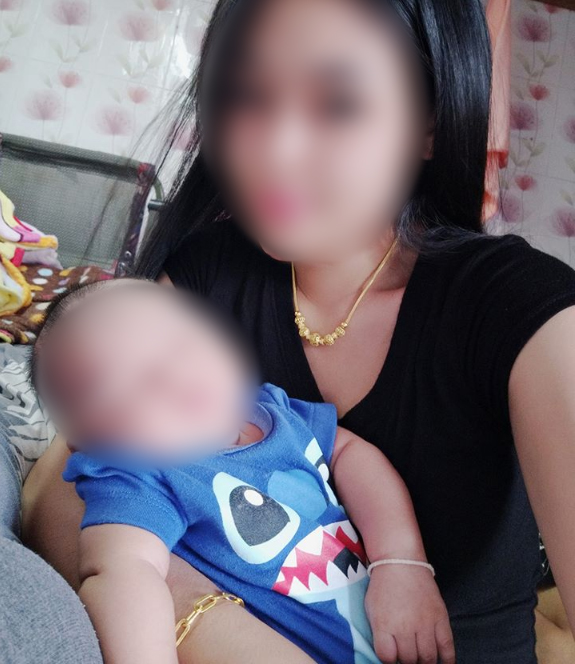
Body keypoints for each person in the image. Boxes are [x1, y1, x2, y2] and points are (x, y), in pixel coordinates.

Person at [21, 0, 575, 663]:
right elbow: (61, 491)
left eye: (338, 103)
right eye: (247, 95)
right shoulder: (205, 273)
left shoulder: (518, 307)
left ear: (428, 123)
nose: (274, 152)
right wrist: (196, 615)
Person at [29, 277, 454, 664]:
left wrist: (400, 562)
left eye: (181, 343)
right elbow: (123, 574)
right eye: (129, 383)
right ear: (85, 442)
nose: (173, 376)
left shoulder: (273, 410)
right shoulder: (136, 475)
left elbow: (351, 453)